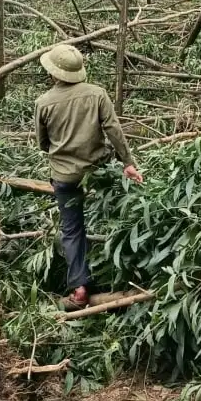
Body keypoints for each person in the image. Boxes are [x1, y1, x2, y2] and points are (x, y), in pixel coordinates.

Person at [34, 43, 143, 308]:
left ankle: (80, 287)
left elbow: (43, 143)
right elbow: (113, 129)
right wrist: (127, 162)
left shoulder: (44, 103)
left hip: (65, 177)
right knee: (116, 216)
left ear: (53, 73)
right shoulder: (97, 94)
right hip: (99, 172)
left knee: (72, 230)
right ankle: (128, 270)